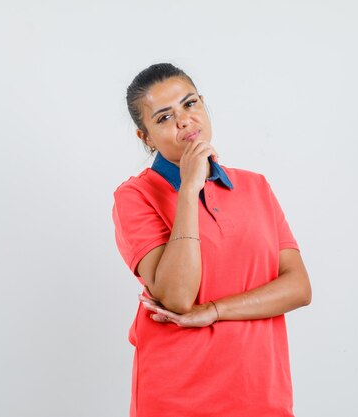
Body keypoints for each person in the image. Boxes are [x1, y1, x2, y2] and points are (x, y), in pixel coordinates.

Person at [112, 63, 312, 417]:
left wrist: (215, 311)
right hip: (178, 397)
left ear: (203, 104)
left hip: (260, 394)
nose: (184, 121)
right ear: (145, 137)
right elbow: (176, 297)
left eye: (190, 104)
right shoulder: (136, 196)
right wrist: (189, 188)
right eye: (163, 118)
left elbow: (298, 288)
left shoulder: (256, 187)